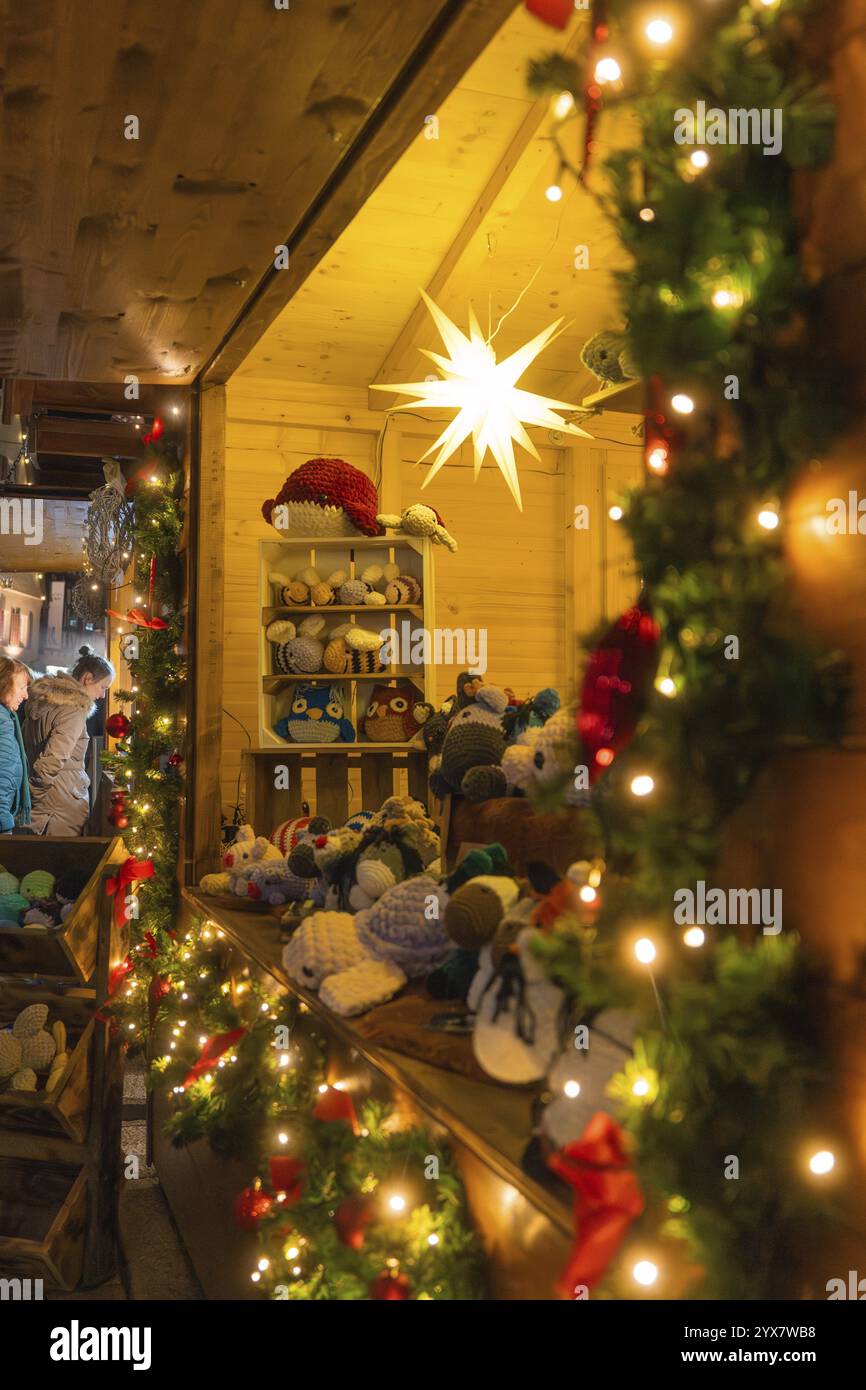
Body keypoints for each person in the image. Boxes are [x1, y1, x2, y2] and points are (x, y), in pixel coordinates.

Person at [24, 645, 115, 837]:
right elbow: (53, 759)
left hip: (49, 802)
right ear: (87, 678)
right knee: (58, 862)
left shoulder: (47, 701)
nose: (102, 695)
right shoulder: (73, 709)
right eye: (102, 687)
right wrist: (35, 795)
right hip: (61, 805)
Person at [0, 657, 32, 834]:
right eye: (21, 688)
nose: (26, 695)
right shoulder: (2, 724)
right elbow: (3, 780)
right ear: (4, 684)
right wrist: (5, 825)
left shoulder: (5, 718)